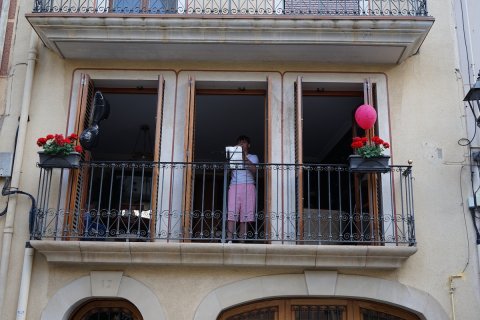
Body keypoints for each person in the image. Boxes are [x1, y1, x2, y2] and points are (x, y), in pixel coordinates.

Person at [227, 135, 259, 242]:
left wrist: (243, 156)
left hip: (248, 186)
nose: (242, 144)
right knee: (232, 213)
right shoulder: (234, 156)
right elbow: (229, 170)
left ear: (248, 145)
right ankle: (229, 239)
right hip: (234, 185)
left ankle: (242, 241)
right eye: (240, 142)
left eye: (244, 142)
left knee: (245, 215)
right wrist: (234, 154)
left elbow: (254, 170)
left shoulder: (253, 157)